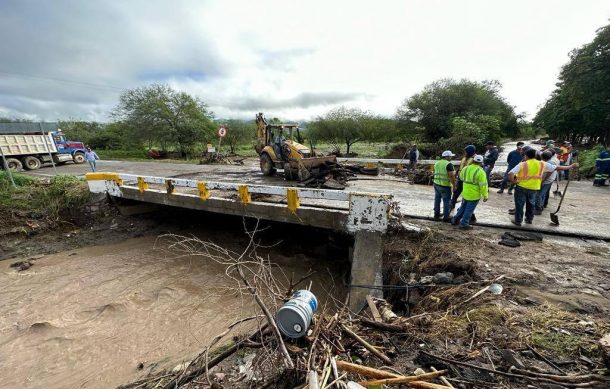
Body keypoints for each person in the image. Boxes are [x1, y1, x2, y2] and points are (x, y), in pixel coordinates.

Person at [508, 148, 559, 226]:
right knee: (531, 204)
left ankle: (518, 221)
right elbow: (557, 167)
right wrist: (570, 166)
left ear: (526, 155)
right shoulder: (542, 163)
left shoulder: (523, 164)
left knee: (519, 205)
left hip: (521, 187)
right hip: (534, 188)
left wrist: (513, 181)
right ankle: (529, 220)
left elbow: (510, 173)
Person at [452, 154, 488, 230]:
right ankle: (464, 224)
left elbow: (460, 177)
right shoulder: (481, 172)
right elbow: (483, 185)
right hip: (474, 195)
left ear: (473, 161)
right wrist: (485, 195)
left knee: (463, 207)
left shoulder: (465, 168)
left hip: (465, 192)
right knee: (469, 210)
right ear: (481, 162)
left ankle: (455, 220)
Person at [433, 150, 457, 222]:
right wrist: (454, 185)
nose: (451, 158)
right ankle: (446, 216)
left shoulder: (437, 163)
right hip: (445, 185)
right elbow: (451, 176)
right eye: (450, 156)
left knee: (437, 199)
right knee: (446, 201)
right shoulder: (448, 164)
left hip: (436, 184)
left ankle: (436, 214)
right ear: (447, 156)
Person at [450, 144, 476, 210]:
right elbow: (461, 166)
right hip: (460, 178)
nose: (465, 153)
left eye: (466, 152)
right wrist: (456, 172)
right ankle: (452, 205)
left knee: (466, 194)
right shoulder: (464, 158)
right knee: (456, 192)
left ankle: (462, 208)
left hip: (467, 180)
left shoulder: (474, 160)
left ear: (470, 152)